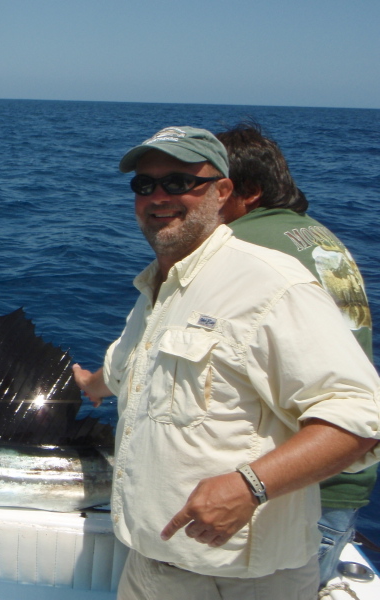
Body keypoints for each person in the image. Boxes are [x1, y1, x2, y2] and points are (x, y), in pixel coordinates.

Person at [72, 126, 380, 599]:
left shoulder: (270, 283)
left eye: (179, 182)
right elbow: (128, 366)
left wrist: (249, 486)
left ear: (223, 191)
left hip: (240, 578)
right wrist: (89, 385)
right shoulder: (160, 284)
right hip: (151, 559)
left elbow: (360, 417)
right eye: (145, 185)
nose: (159, 196)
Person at [216, 121, 376, 587]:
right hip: (343, 483)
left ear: (246, 192)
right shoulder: (317, 237)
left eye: (211, 188)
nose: (197, 202)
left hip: (292, 493)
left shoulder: (246, 248)